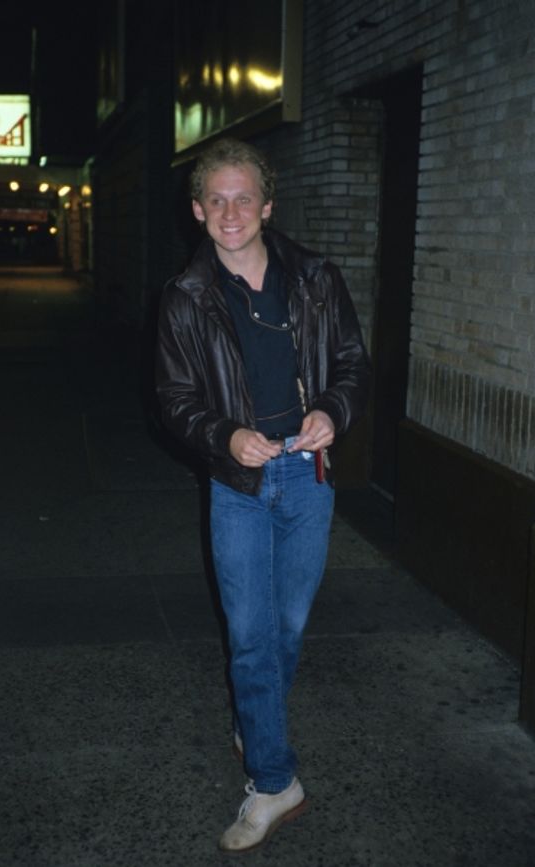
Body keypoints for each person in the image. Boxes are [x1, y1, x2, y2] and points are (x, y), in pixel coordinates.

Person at [155, 137, 371, 852]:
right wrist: (224, 436)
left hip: (308, 477)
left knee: (283, 628)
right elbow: (175, 399)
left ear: (268, 205)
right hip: (239, 482)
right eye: (215, 198)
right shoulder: (186, 297)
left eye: (243, 196)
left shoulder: (314, 278)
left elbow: (350, 363)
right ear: (197, 210)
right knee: (249, 634)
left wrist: (332, 411)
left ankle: (256, 722)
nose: (230, 211)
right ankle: (276, 781)